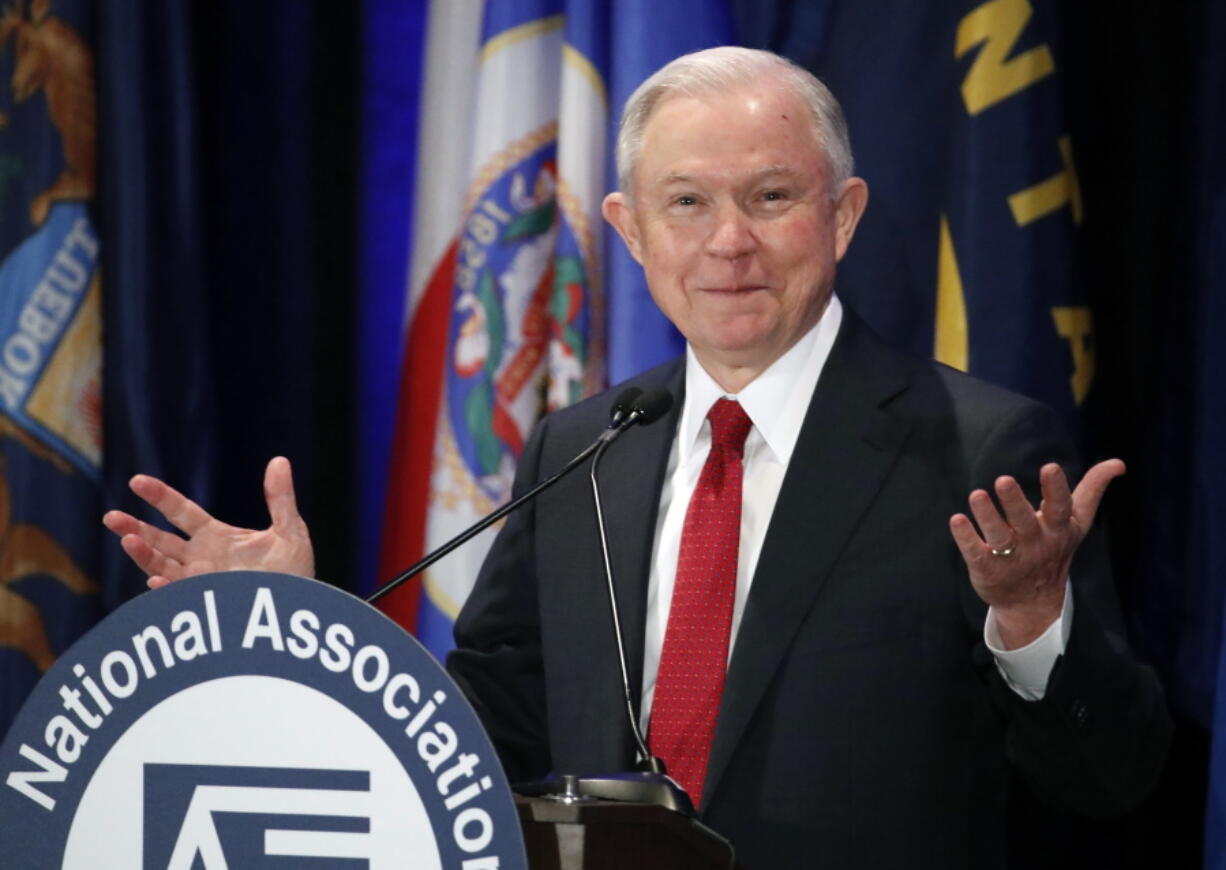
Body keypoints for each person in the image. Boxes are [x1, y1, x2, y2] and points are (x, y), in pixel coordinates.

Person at [105, 47, 1170, 869]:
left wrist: (1030, 626)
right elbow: (478, 728)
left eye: (770, 197)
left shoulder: (977, 450)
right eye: (686, 203)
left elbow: (1110, 780)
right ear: (626, 229)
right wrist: (306, 628)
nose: (727, 243)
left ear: (841, 217)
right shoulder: (584, 449)